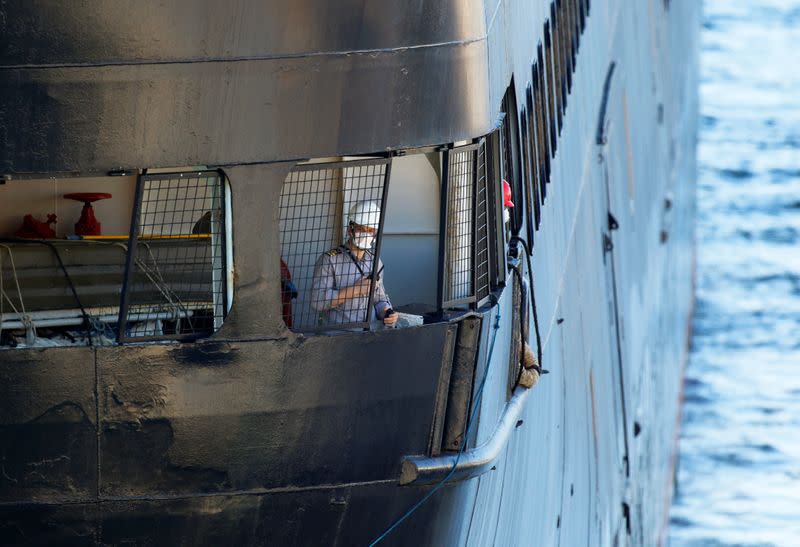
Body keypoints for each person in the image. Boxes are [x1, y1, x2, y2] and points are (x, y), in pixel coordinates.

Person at [310, 201, 397, 328]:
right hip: (339, 334)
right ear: (350, 229)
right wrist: (355, 290)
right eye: (361, 228)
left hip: (370, 333)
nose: (366, 233)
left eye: (371, 230)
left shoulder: (375, 262)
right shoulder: (330, 260)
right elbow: (317, 301)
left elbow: (379, 300)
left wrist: (387, 312)